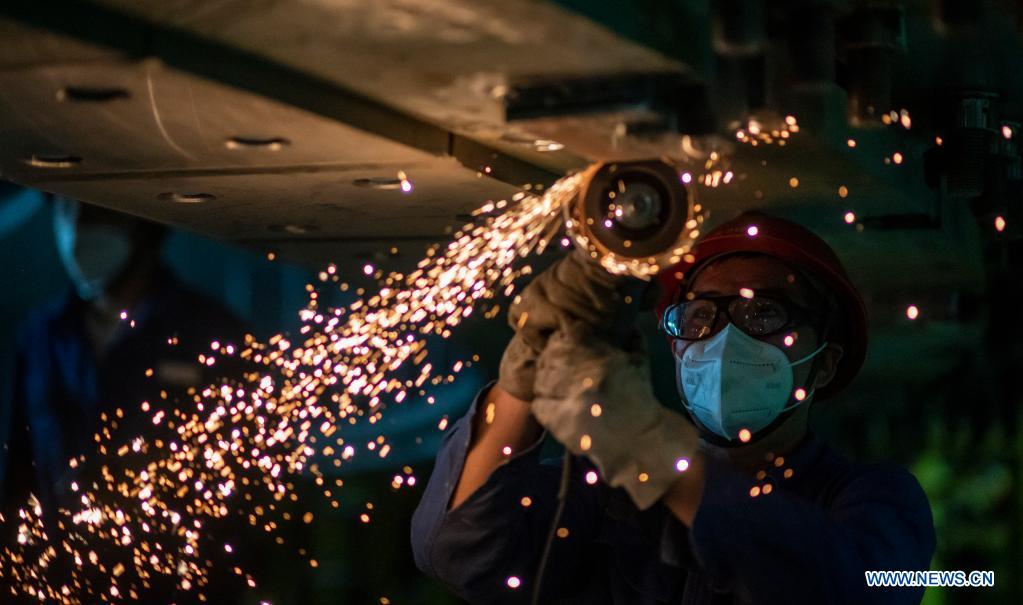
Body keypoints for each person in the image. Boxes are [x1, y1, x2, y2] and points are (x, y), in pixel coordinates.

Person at [411, 211, 936, 604]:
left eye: (763, 314)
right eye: (700, 316)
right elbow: (456, 552)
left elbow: (845, 590)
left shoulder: (880, 502)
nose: (724, 338)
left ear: (823, 364)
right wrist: (527, 366)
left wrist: (651, 454)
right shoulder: (605, 496)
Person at [0, 197, 246, 515]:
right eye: (66, 209)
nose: (76, 228)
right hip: (62, 545)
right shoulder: (40, 338)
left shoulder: (211, 333)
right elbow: (18, 476)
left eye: (95, 210)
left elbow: (240, 475)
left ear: (141, 223)